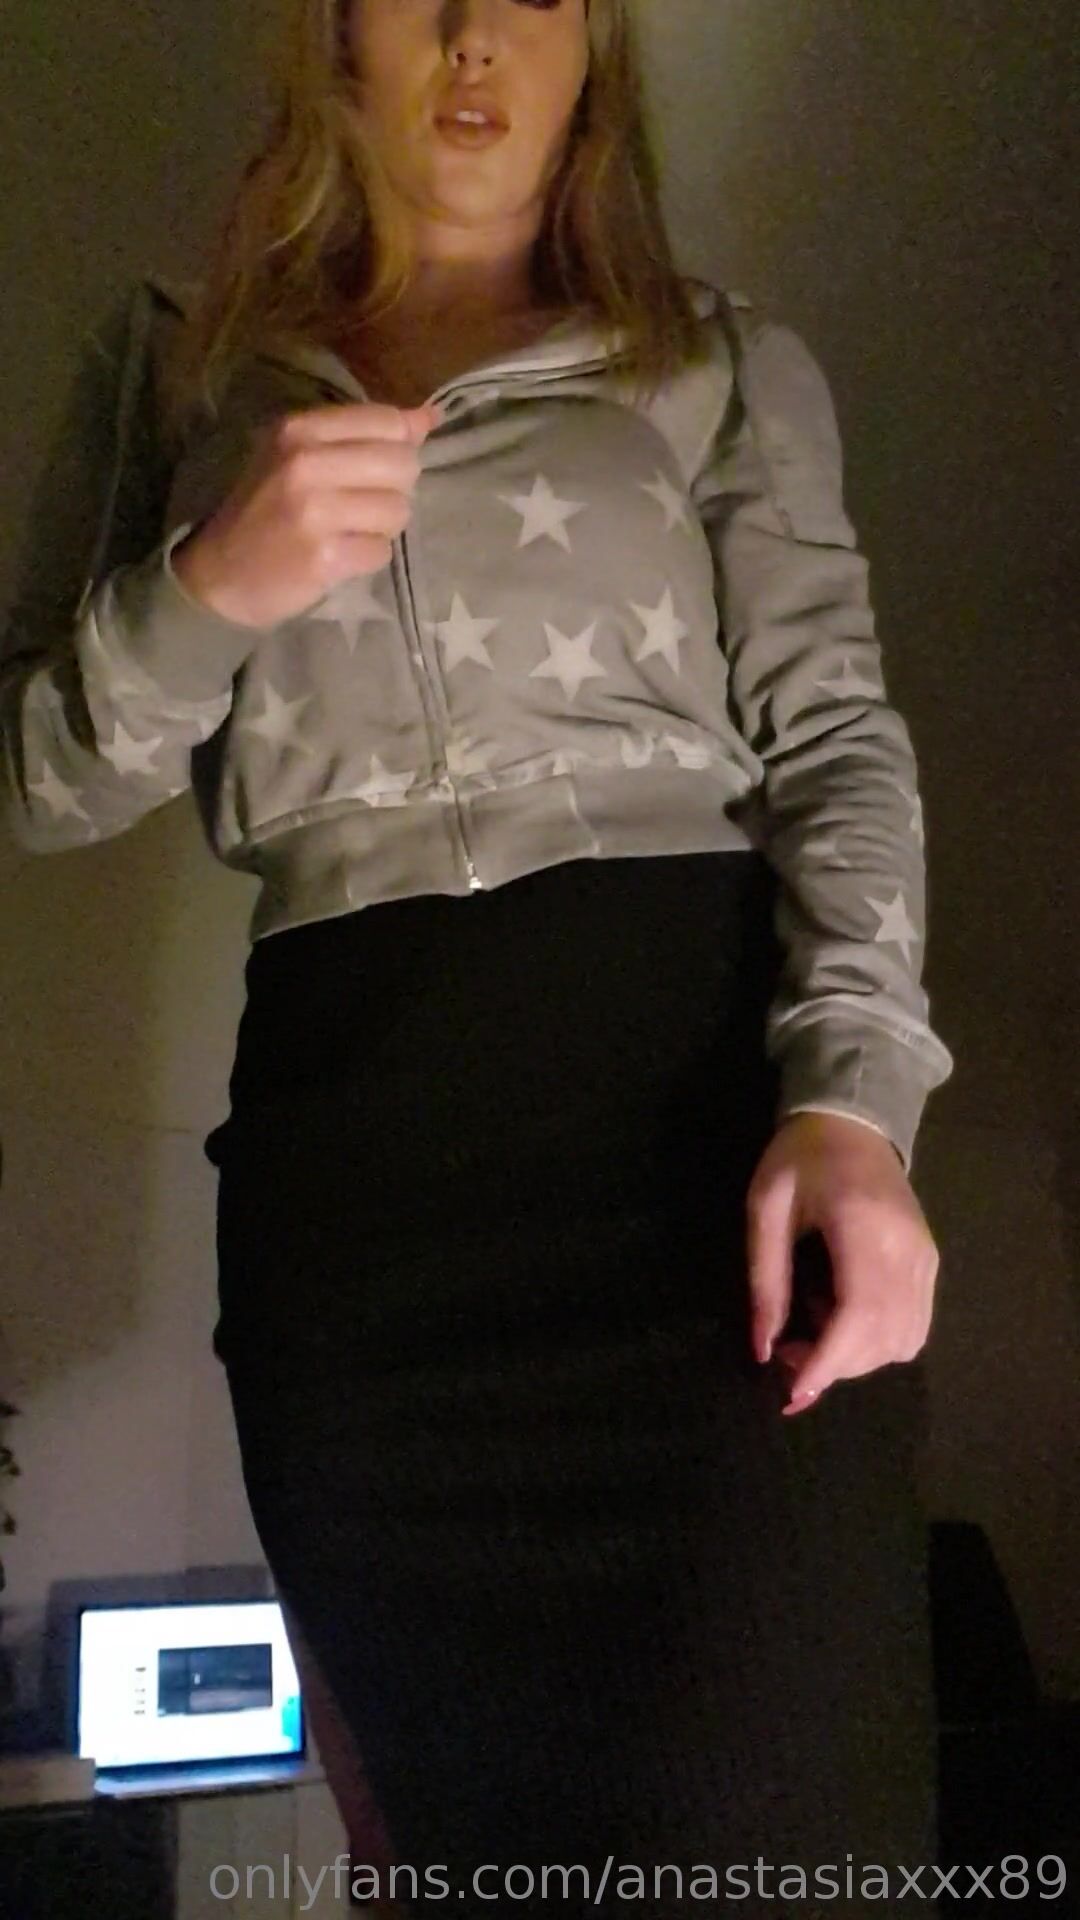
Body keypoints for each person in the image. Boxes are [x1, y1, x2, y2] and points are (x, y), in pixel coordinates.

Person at [1, 0, 956, 1913]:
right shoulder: (176, 360)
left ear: (593, 48)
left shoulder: (720, 363)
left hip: (698, 1161)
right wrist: (207, 591)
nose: (467, 37)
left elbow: (837, 745)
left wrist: (859, 1105)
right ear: (329, 37)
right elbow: (38, 780)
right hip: (363, 1205)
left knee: (781, 1840)